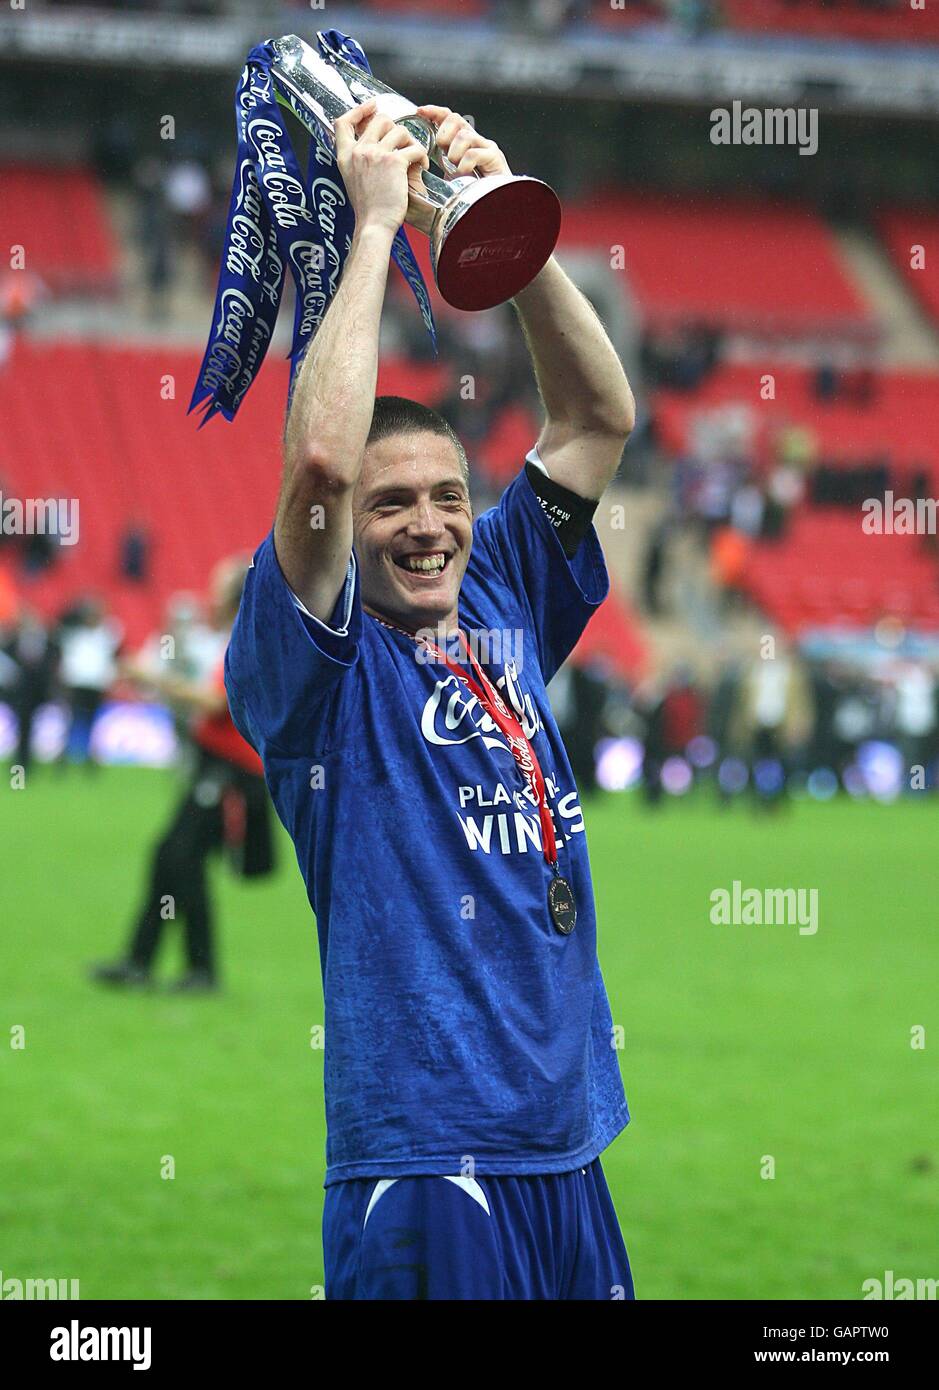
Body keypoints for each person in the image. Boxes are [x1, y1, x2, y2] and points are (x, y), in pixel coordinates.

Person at [225, 98, 636, 1300]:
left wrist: (508, 235)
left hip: (569, 1150)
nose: (429, 524)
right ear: (347, 533)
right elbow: (316, 466)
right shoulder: (313, 667)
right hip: (424, 1163)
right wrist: (372, 230)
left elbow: (599, 418)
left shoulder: (503, 591)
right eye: (392, 502)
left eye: (448, 496)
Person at [91, 558, 273, 993]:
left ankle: (197, 969)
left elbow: (214, 703)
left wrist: (148, 677)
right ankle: (146, 961)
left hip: (230, 773)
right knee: (172, 856)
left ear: (233, 596)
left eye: (218, 587)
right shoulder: (238, 638)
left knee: (180, 857)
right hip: (219, 767)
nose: (210, 595)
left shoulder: (248, 640)